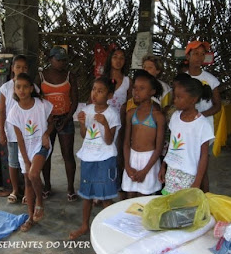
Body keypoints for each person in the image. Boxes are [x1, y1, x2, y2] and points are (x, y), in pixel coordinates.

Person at [69, 76, 120, 240]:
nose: (95, 94)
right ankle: (85, 225)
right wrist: (83, 123)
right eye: (93, 90)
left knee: (105, 196)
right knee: (87, 194)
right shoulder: (88, 110)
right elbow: (84, 136)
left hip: (105, 159)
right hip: (88, 158)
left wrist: (105, 123)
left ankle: (112, 227)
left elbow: (109, 140)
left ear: (109, 95)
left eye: (100, 91)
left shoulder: (112, 114)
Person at [7, 73, 54, 232]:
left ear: (31, 88)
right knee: (28, 181)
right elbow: (19, 138)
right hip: (25, 149)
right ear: (14, 89)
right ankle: (30, 217)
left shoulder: (41, 104)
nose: (21, 90)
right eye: (18, 87)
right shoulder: (14, 112)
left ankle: (40, 203)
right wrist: (25, 159)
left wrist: (47, 134)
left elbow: (52, 121)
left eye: (25, 86)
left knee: (33, 174)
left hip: (41, 145)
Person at [158, 74, 214, 194]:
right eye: (175, 96)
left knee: (184, 207)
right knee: (169, 203)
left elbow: (204, 157)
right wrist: (163, 165)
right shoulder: (175, 117)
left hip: (189, 175)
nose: (175, 100)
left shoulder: (202, 124)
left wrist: (197, 182)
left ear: (193, 99)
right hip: (171, 170)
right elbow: (171, 145)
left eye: (179, 97)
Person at [36, 46, 78, 202]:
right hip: (46, 122)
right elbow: (35, 98)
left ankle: (70, 188)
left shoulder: (69, 76)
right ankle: (47, 186)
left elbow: (74, 100)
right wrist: (47, 119)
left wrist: (66, 119)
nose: (62, 63)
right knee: (46, 155)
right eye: (58, 60)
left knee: (68, 155)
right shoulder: (40, 76)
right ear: (50, 59)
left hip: (65, 119)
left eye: (64, 60)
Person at [0, 54, 38, 203]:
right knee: (13, 162)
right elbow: (2, 111)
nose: (21, 69)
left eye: (24, 67)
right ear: (12, 69)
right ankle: (15, 189)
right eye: (18, 67)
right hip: (12, 133)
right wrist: (2, 131)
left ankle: (29, 190)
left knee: (29, 161)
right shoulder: (6, 88)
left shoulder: (33, 87)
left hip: (29, 133)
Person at [122, 70, 165, 198]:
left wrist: (145, 171)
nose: (136, 91)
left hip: (149, 161)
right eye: (135, 88)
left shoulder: (158, 116)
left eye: (142, 88)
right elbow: (125, 143)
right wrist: (127, 166)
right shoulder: (131, 113)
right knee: (130, 196)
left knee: (144, 198)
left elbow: (159, 148)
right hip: (132, 159)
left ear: (152, 92)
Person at [185, 40, 221, 192]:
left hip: (203, 129)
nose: (199, 58)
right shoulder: (183, 79)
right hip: (186, 128)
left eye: (202, 54)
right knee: (186, 165)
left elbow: (217, 105)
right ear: (188, 56)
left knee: (202, 167)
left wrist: (200, 115)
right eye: (195, 54)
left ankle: (205, 199)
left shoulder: (211, 80)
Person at [103, 47, 132, 201]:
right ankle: (103, 189)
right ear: (110, 59)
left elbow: (130, 103)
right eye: (115, 57)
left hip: (121, 124)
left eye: (122, 57)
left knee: (119, 157)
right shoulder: (103, 78)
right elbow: (94, 99)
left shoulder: (128, 81)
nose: (118, 60)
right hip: (104, 124)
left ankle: (119, 187)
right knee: (104, 156)